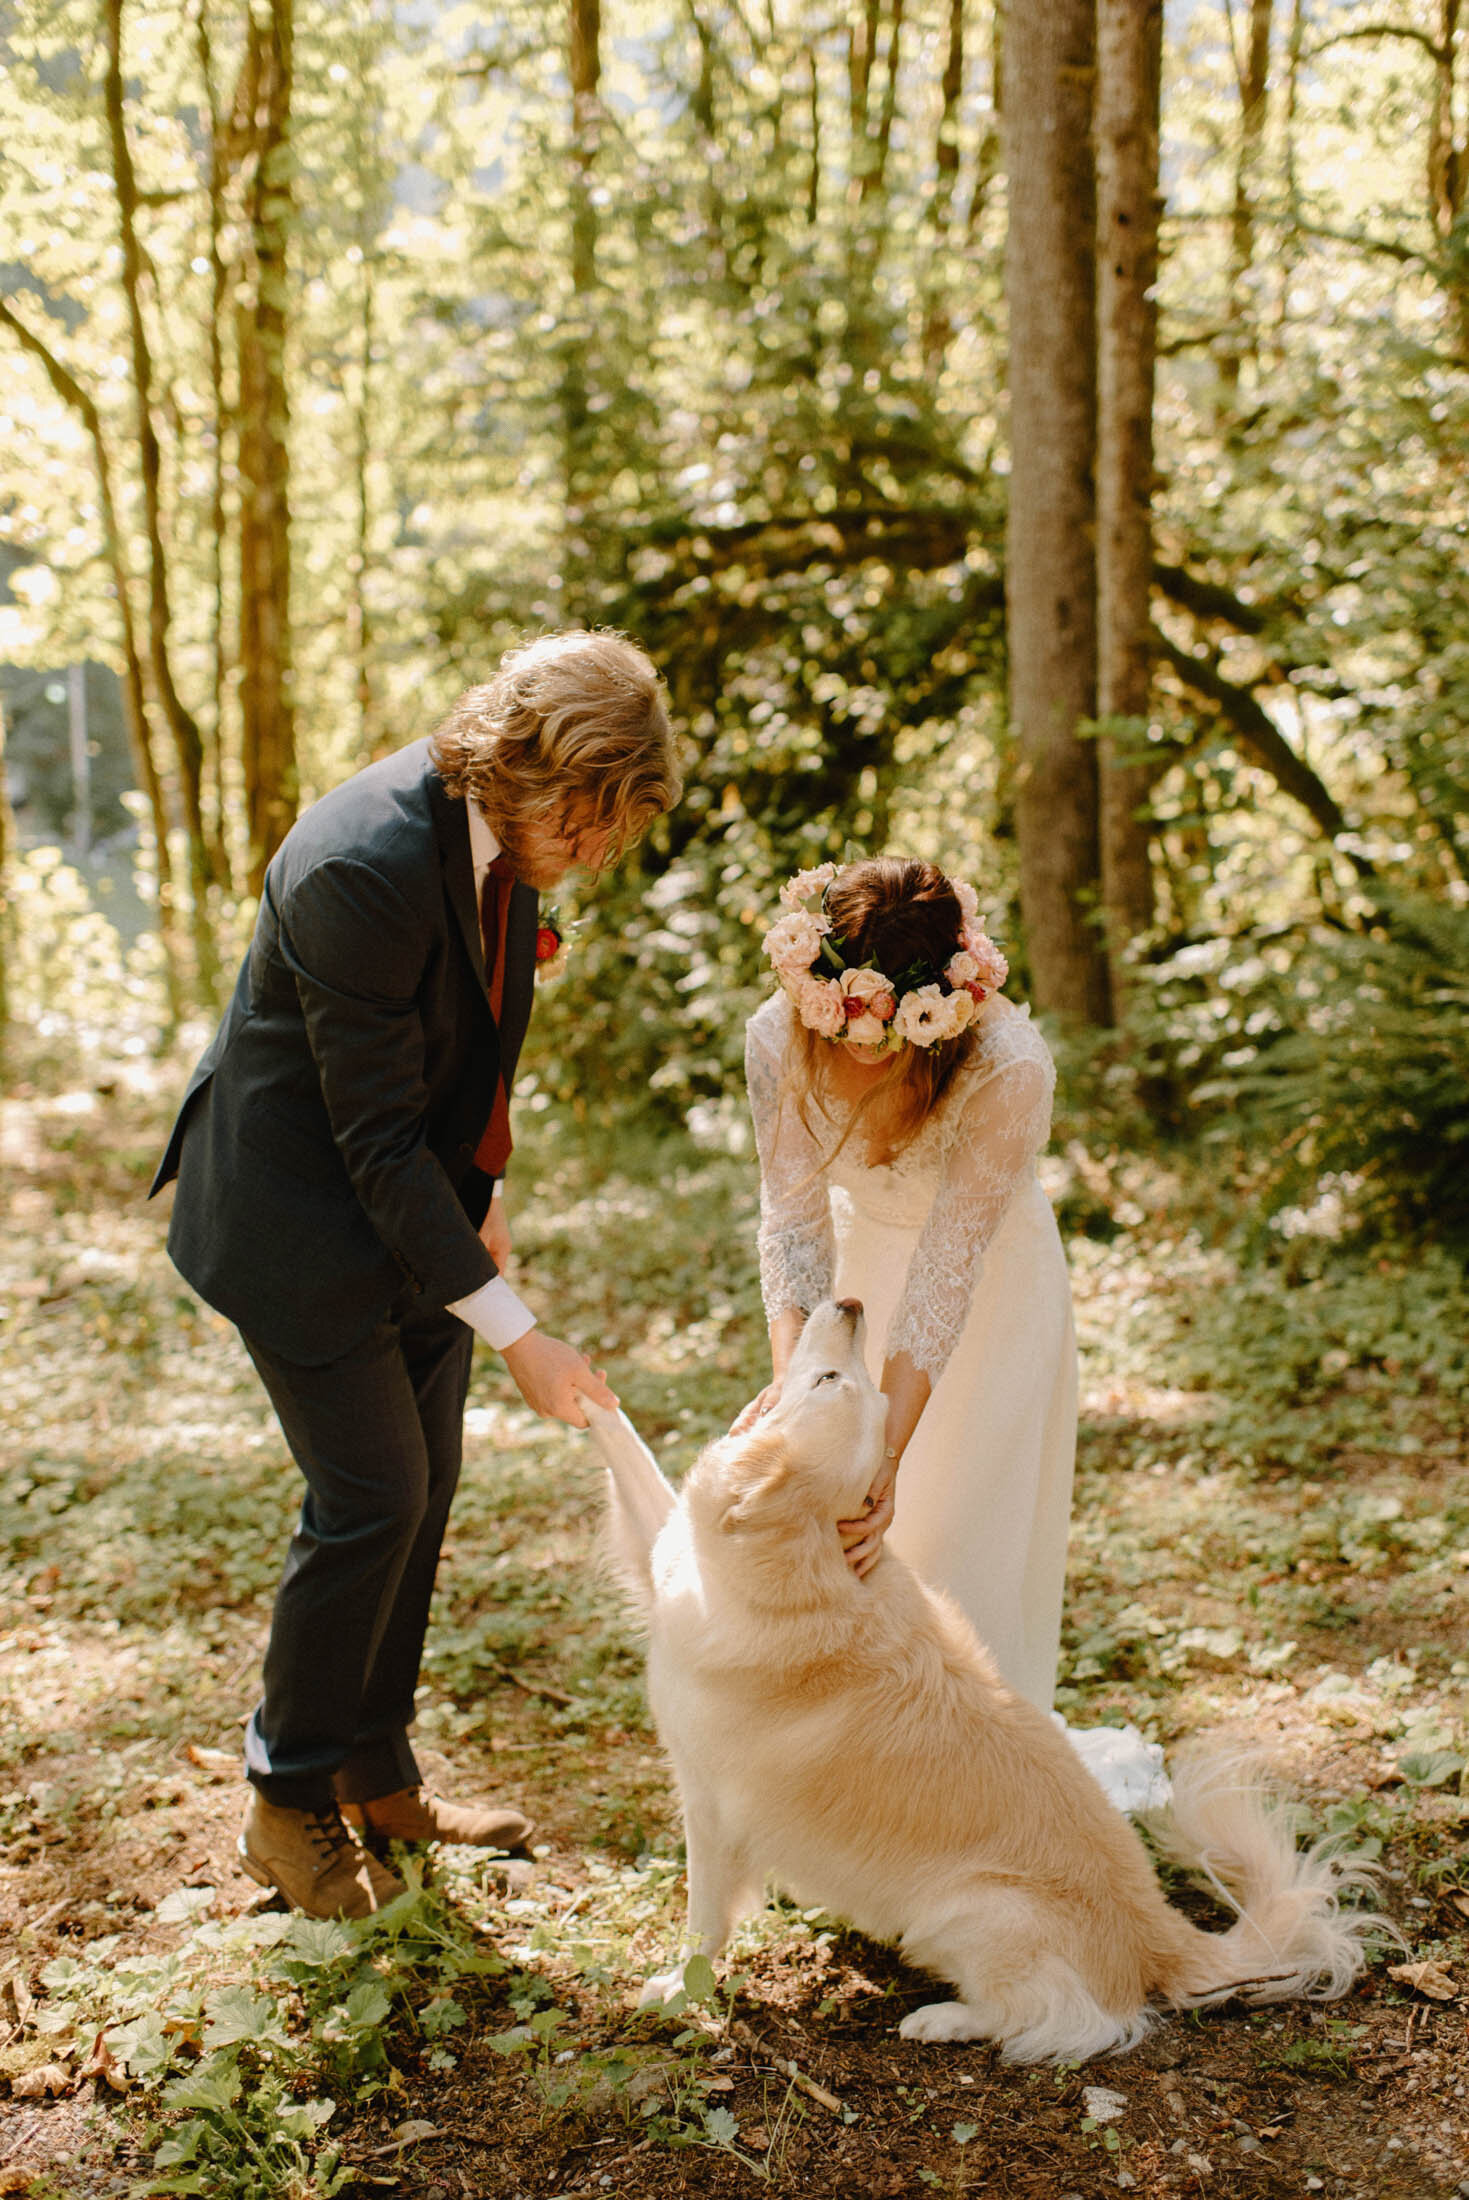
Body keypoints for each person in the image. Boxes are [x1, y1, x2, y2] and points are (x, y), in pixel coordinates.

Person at [151, 630, 682, 1917]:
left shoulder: (503, 837)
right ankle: (285, 1805)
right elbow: (370, 1137)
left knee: (426, 1486)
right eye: (592, 822)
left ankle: (376, 1771)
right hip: (299, 1223)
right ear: (533, 769)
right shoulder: (362, 861)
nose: (597, 854)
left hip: (417, 1217)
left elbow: (465, 1061)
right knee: (370, 1499)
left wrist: (481, 1215)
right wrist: (516, 1329)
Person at [741, 856, 1168, 1812]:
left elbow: (946, 1272)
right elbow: (793, 1222)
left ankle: (970, 1811)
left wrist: (883, 1451)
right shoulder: (777, 1037)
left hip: (991, 1296)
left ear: (940, 1016)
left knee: (955, 1553)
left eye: (880, 1046)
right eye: (839, 1035)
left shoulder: (1006, 1069)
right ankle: (860, 1803)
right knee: (844, 1554)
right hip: (856, 1290)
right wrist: (807, 1406)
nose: (855, 1055)